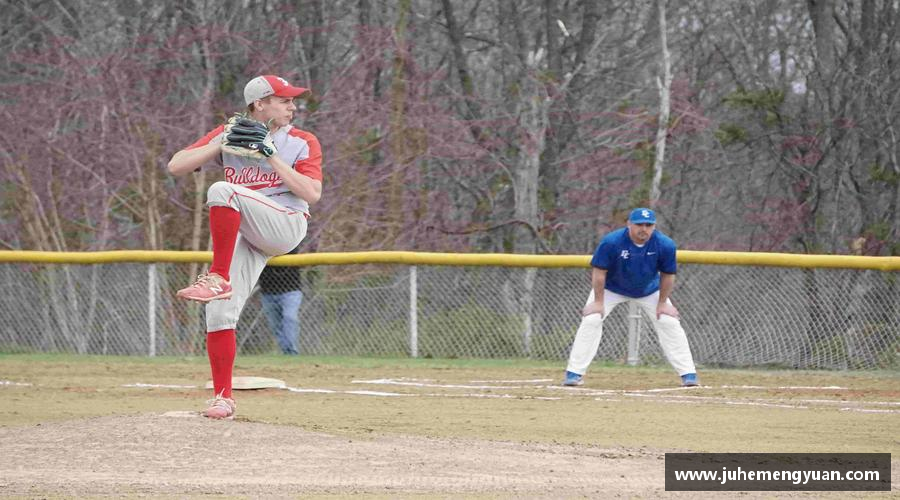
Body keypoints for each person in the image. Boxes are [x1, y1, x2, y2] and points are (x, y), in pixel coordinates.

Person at [167, 74, 323, 419]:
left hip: (285, 222)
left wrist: (271, 157)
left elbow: (312, 194)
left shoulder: (301, 140)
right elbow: (176, 165)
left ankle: (217, 276)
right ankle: (223, 397)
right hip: (247, 230)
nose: (292, 106)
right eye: (284, 100)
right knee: (219, 312)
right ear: (259, 104)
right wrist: (220, 142)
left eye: (291, 100)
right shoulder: (233, 132)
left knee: (223, 191)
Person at [563, 208, 699, 387]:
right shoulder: (612, 242)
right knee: (591, 319)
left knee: (669, 321)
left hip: (649, 290)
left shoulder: (665, 244)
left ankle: (688, 374)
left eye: (649, 225)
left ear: (654, 226)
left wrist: (663, 303)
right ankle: (574, 373)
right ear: (629, 224)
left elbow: (668, 275)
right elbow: (599, 272)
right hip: (611, 289)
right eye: (639, 224)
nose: (644, 229)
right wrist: (598, 301)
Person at [258, 245, 304, 355]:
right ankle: (287, 352)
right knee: (276, 326)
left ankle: (292, 352)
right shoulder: (259, 243)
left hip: (291, 291)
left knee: (290, 318)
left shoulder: (290, 240)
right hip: (268, 292)